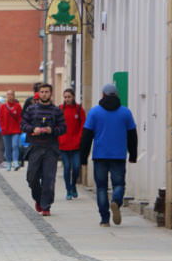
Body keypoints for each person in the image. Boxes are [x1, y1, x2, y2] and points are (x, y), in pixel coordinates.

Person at [80, 83, 137, 227]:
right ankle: (116, 201)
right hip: (118, 155)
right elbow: (132, 135)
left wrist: (83, 157)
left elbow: (86, 136)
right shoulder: (125, 112)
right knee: (118, 184)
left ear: (102, 95)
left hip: (100, 155)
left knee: (101, 188)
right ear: (117, 95)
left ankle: (104, 219)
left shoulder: (94, 112)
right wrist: (133, 155)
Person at [20, 84, 66, 216]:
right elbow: (23, 124)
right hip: (35, 146)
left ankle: (46, 205)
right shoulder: (31, 109)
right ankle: (38, 198)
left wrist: (53, 130)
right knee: (31, 177)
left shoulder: (56, 110)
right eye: (42, 92)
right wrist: (32, 129)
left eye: (47, 92)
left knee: (48, 178)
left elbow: (63, 128)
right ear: (38, 94)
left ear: (51, 93)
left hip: (50, 148)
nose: (44, 94)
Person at [58, 88, 86, 200]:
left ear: (73, 97)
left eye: (69, 97)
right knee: (67, 167)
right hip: (63, 144)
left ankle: (73, 185)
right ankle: (68, 189)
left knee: (76, 167)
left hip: (76, 144)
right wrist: (59, 137)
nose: (67, 99)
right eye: (65, 97)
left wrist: (79, 138)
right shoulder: (60, 109)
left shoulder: (79, 110)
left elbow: (83, 126)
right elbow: (56, 124)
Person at [0, 90, 23, 171]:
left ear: (14, 96)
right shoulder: (3, 106)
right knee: (8, 147)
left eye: (11, 95)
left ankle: (15, 162)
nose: (10, 96)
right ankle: (8, 163)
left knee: (15, 145)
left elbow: (20, 118)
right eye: (8, 95)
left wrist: (21, 127)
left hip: (15, 130)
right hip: (6, 130)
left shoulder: (18, 106)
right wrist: (2, 127)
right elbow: (0, 118)